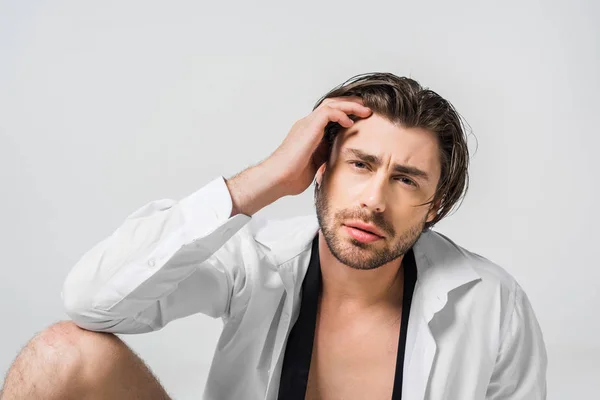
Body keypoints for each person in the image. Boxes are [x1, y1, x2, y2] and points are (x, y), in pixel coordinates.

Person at [0, 72, 547, 400]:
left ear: (436, 206)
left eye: (406, 179)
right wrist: (261, 182)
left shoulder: (491, 303)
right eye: (360, 163)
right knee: (62, 351)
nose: (374, 200)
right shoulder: (257, 260)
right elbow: (93, 302)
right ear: (320, 167)